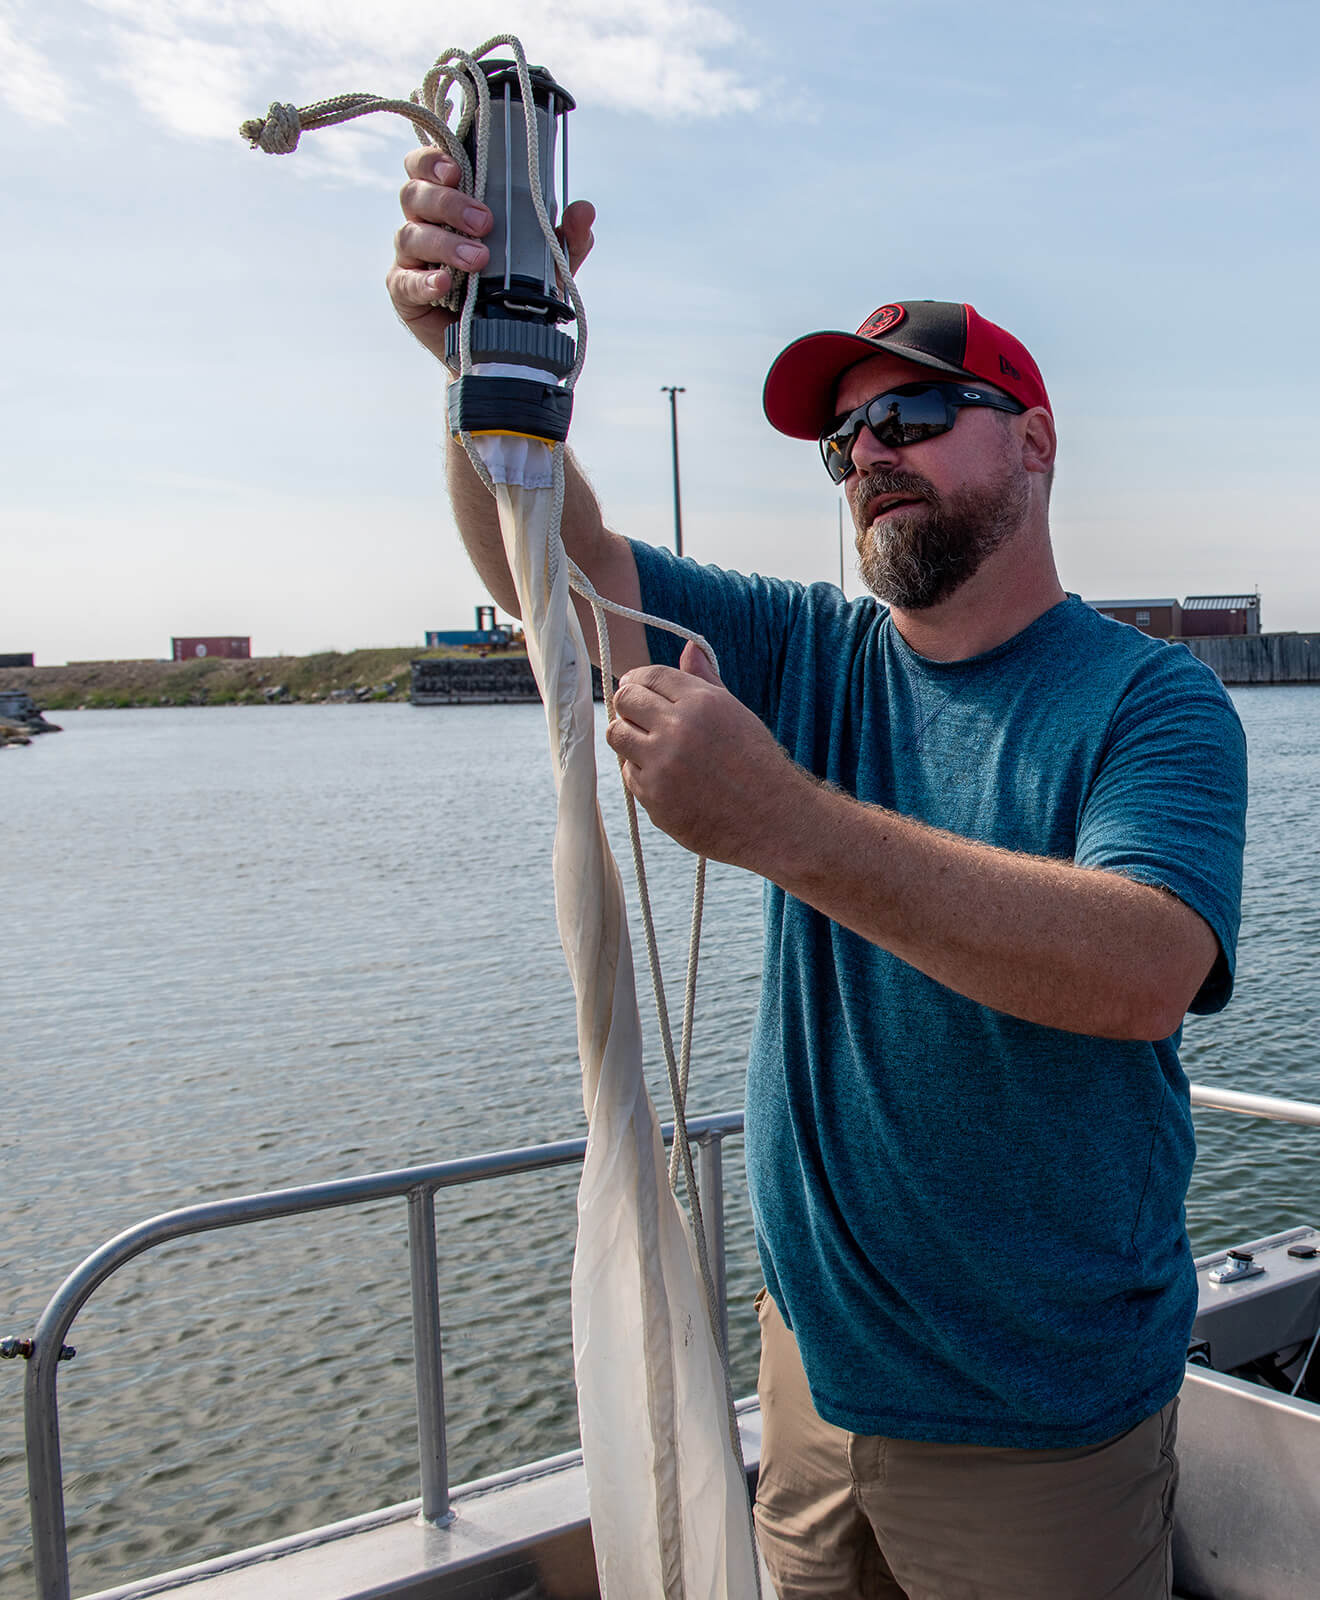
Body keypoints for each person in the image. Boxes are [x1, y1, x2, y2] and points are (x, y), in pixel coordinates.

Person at [388, 147, 1248, 1600]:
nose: (870, 460)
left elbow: (1144, 966)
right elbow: (557, 564)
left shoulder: (1147, 703)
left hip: (1037, 1428)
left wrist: (780, 820)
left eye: (913, 414)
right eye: (844, 444)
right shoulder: (804, 650)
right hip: (806, 1383)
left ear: (1034, 442)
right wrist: (487, 373)